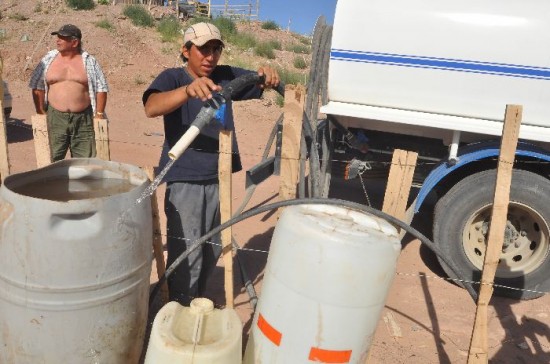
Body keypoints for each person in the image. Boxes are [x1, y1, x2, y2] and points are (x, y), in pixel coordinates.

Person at [143, 22, 279, 305]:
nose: (210, 57)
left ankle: (198, 304)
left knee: (212, 248)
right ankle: (178, 309)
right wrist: (188, 91)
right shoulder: (172, 77)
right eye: (203, 49)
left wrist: (266, 76)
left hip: (219, 177)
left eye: (215, 49)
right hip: (186, 179)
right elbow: (151, 106)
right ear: (185, 50)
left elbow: (257, 81)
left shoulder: (225, 76)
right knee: (187, 251)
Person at [29, 24, 109, 162]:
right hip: (55, 118)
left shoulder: (90, 62)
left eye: (62, 38)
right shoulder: (48, 60)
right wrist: (40, 111)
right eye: (57, 37)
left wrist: (99, 114)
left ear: (74, 42)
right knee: (50, 159)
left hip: (84, 119)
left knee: (86, 162)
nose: (57, 40)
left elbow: (101, 88)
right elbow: (37, 86)